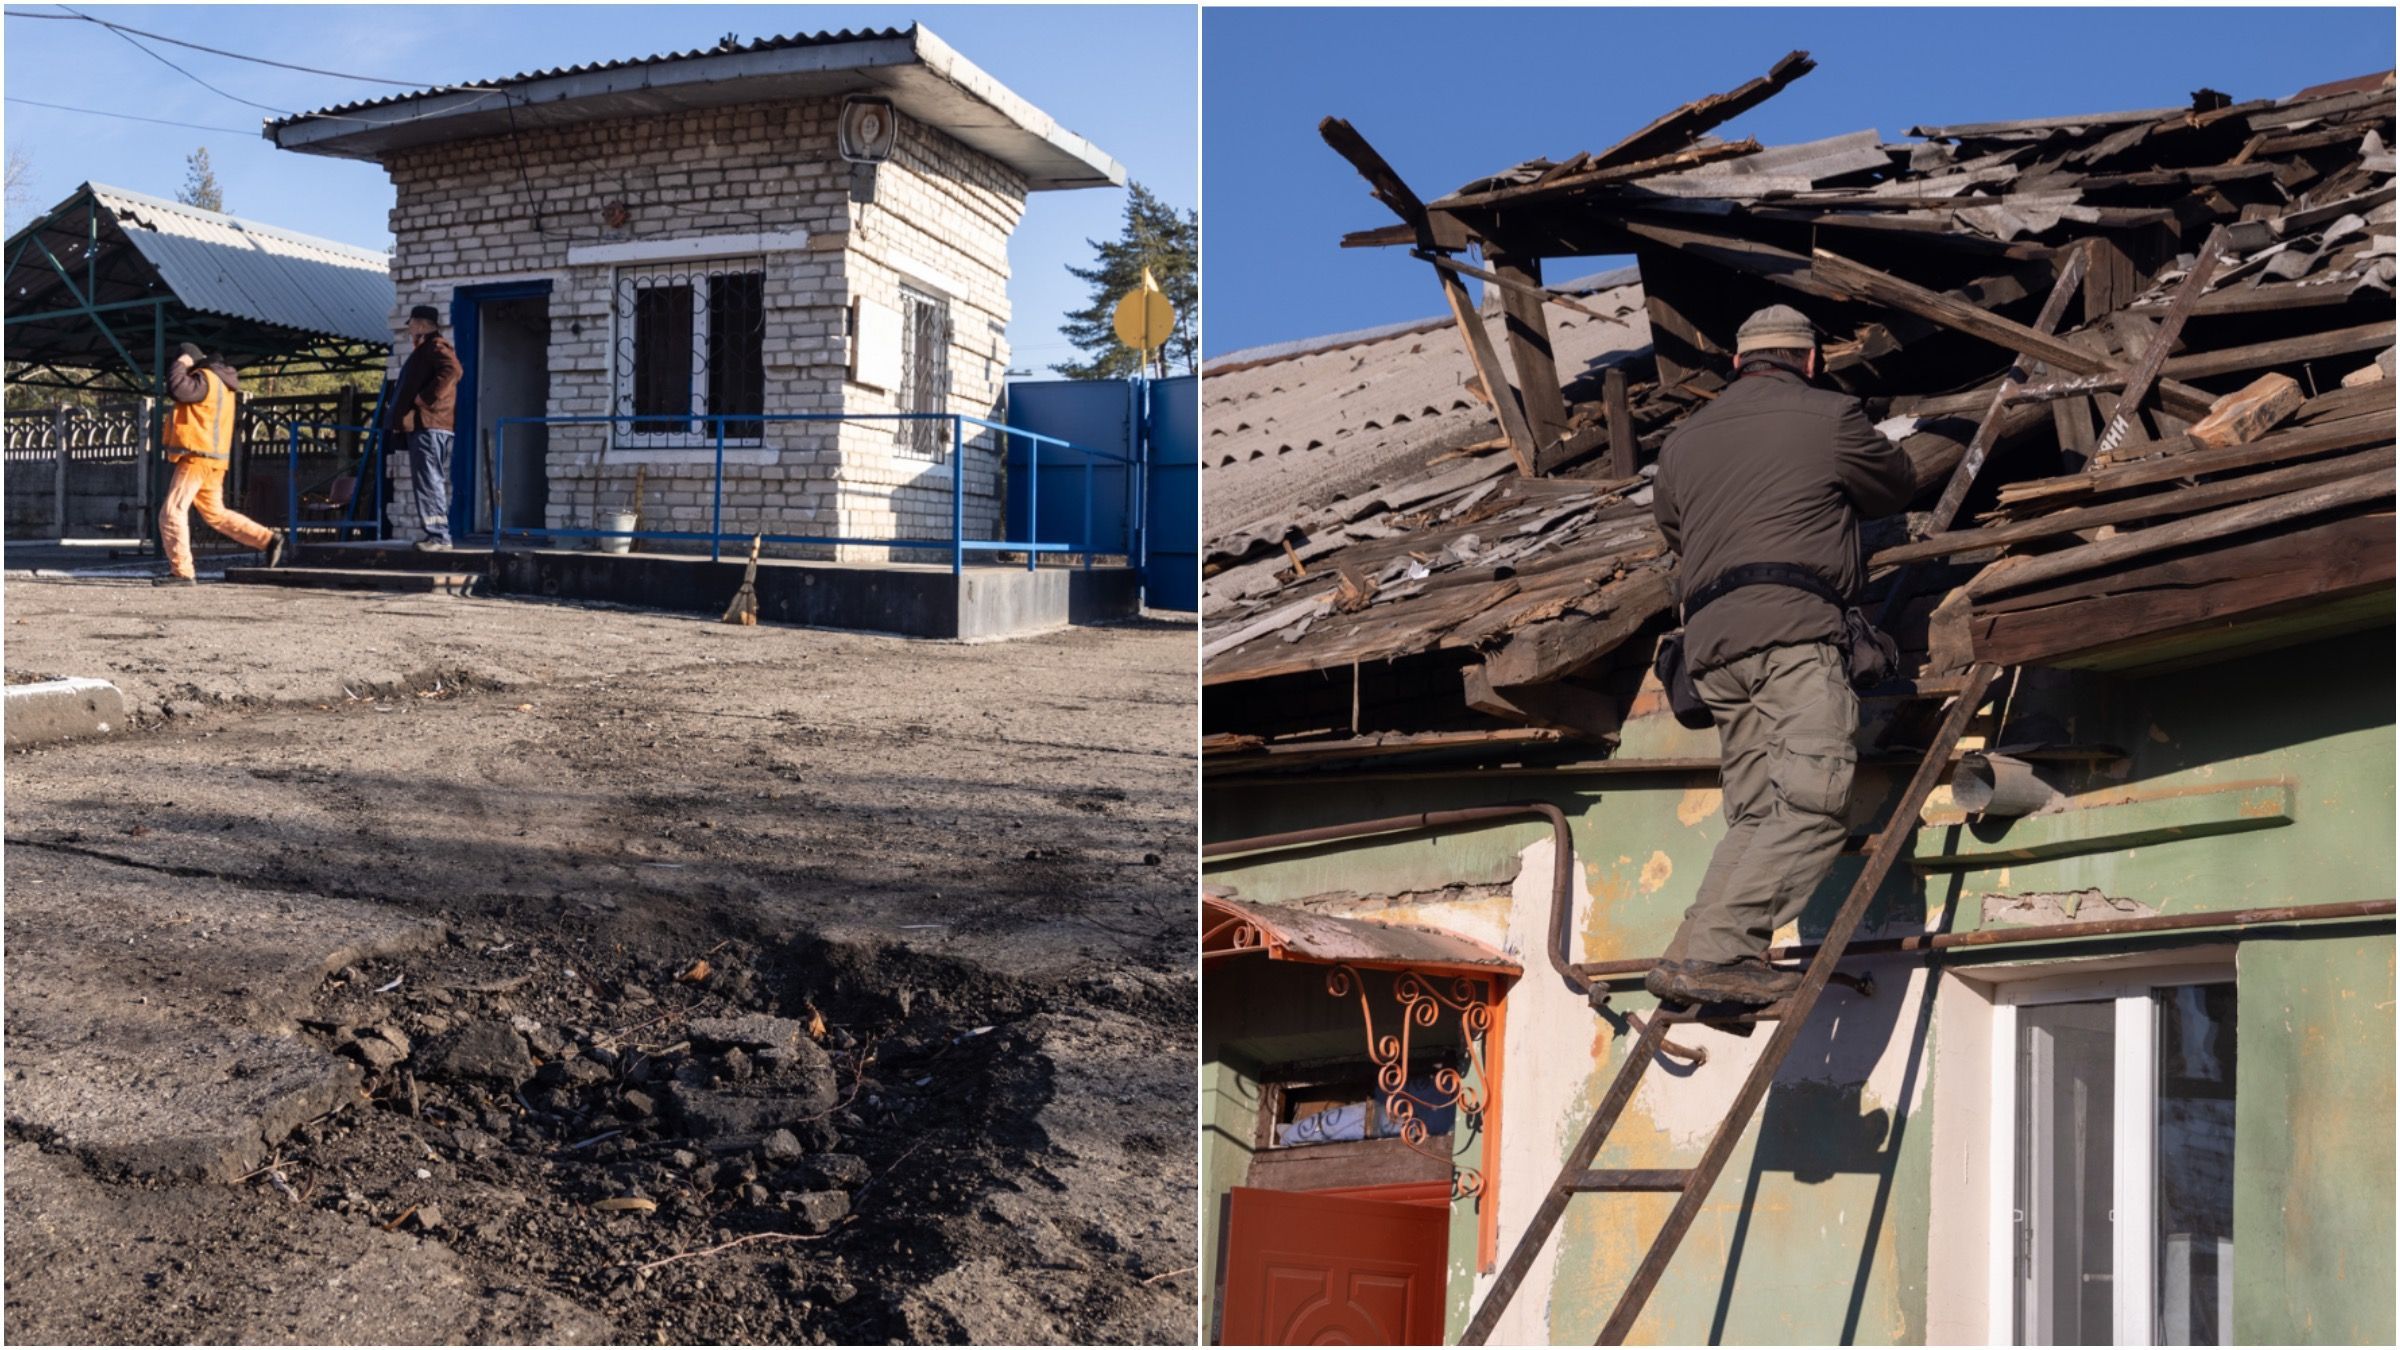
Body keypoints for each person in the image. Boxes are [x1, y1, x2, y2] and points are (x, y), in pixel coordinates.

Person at [1644, 305, 1918, 1007]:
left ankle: (1689, 962)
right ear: (1811, 361)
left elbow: (1674, 527)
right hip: (1792, 633)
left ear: (1738, 364)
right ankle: (1721, 957)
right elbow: (1894, 483)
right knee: (1813, 808)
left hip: (1711, 650)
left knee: (1759, 815)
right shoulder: (1830, 416)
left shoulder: (1680, 442)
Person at [155, 344, 281, 585]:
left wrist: (182, 362)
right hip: (214, 459)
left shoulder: (204, 379)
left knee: (171, 512)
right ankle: (267, 539)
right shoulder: (221, 383)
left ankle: (182, 572)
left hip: (197, 456)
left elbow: (177, 388)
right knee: (216, 514)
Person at [387, 302, 463, 550]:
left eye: (411, 325)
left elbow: (452, 369)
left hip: (428, 426)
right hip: (427, 426)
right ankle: (437, 534)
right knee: (430, 480)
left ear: (421, 325)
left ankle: (439, 536)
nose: (409, 330)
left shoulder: (435, 346)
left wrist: (425, 397)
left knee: (429, 481)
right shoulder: (425, 349)